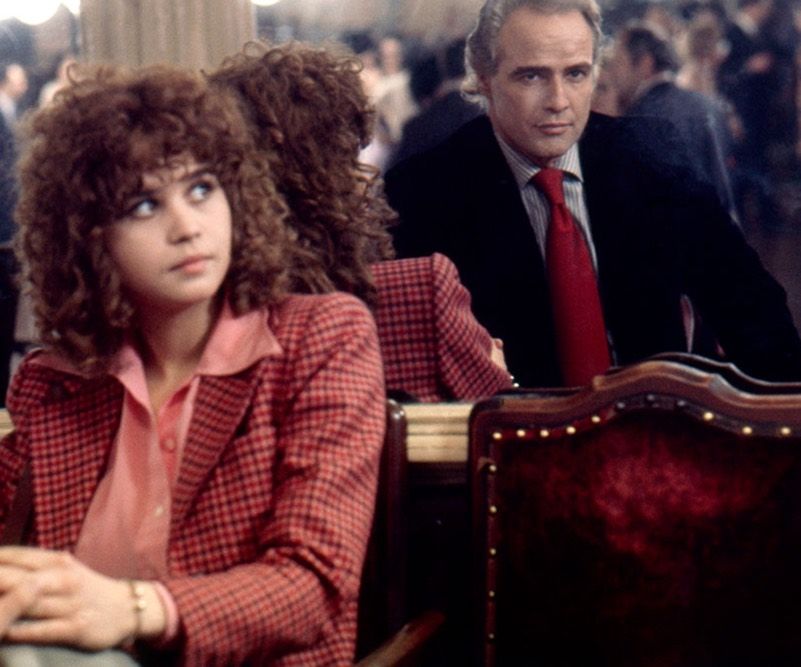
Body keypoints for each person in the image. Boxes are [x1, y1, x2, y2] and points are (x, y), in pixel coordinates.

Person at [0, 63, 385, 665]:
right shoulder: (54, 381)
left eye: (202, 189)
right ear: (89, 240)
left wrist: (132, 608)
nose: (186, 227)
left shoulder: (322, 337)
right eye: (144, 205)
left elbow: (313, 585)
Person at [385, 0, 801, 388]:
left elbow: (751, 308)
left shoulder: (650, 156)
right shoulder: (422, 191)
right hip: (510, 431)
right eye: (531, 76)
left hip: (656, 424)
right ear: (484, 77)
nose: (558, 101)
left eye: (575, 74)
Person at [209, 41, 512, 401]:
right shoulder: (419, 291)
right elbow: (503, 411)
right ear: (339, 166)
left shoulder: (211, 323)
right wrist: (498, 367)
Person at [609, 21, 738, 221]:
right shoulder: (708, 105)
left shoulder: (640, 118)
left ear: (645, 64)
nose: (613, 73)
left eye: (619, 62)